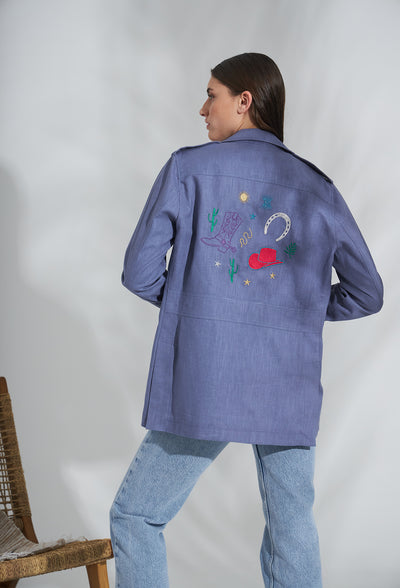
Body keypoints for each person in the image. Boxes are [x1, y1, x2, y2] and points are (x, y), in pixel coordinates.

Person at [110, 53, 383, 587]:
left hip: (205, 379)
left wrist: (202, 310)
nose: (202, 108)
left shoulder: (187, 169)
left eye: (211, 95)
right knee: (291, 529)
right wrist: (298, 312)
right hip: (287, 385)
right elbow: (367, 292)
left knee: (136, 516)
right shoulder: (318, 187)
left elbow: (138, 272)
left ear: (244, 100)